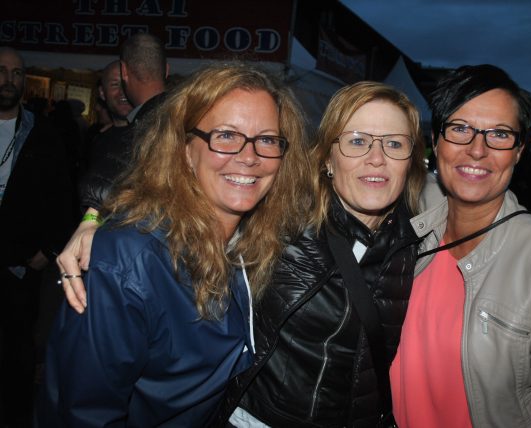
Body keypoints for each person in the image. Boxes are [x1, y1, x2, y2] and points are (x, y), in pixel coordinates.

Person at [57, 81, 427, 427]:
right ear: (327, 158)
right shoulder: (283, 217)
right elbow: (168, 143)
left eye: (395, 144)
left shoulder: (423, 242)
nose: (376, 158)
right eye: (357, 141)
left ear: (411, 159)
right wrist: (94, 214)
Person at [38, 62, 311, 426]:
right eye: (226, 135)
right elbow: (84, 415)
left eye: (267, 139)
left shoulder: (254, 245)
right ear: (185, 149)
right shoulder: (127, 261)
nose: (249, 156)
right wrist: (94, 218)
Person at [390, 64, 531, 427]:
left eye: (500, 134)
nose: (477, 150)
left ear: (519, 151)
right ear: (436, 140)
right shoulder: (409, 217)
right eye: (460, 128)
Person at [0, 46, 75, 427]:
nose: (9, 80)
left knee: (15, 357)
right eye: (2, 71)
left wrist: (47, 250)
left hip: (19, 269)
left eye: (16, 73)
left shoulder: (43, 135)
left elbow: (64, 198)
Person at [63, 32, 169, 296]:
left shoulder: (151, 125)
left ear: (124, 72)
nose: (119, 93)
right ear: (166, 70)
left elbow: (106, 183)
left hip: (135, 266)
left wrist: (91, 216)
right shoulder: (107, 136)